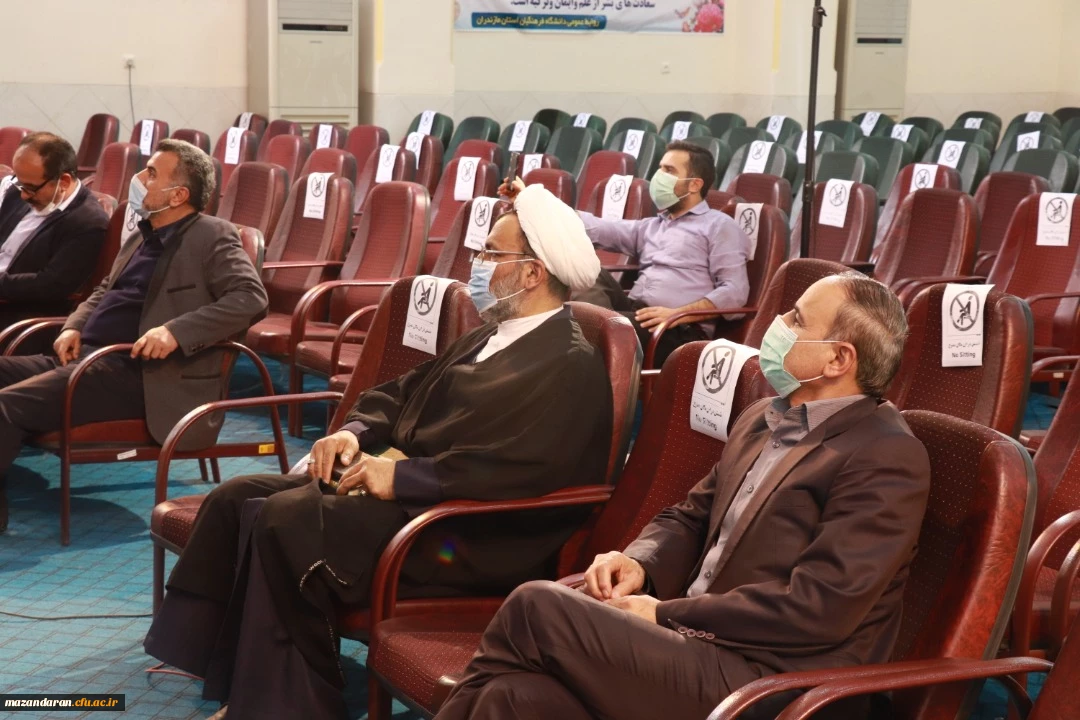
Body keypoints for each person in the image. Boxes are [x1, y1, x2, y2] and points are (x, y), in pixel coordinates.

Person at [144, 184, 615, 720]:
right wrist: (356, 432)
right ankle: (236, 676)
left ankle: (290, 704)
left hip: (468, 530)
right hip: (416, 498)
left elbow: (524, 468)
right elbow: (401, 391)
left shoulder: (569, 363)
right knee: (238, 495)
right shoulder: (491, 335)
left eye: (490, 253)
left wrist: (401, 479)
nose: (477, 265)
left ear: (532, 273)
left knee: (286, 519)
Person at [436, 272, 932, 720]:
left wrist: (661, 613)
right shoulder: (762, 418)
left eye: (797, 319)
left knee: (535, 606)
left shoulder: (885, 455)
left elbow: (816, 609)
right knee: (512, 698)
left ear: (838, 358)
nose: (777, 322)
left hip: (776, 683)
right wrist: (639, 563)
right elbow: (692, 516)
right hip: (698, 652)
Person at [0, 139, 268, 532]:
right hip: (89, 358)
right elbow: (103, 290)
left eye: (152, 173)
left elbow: (250, 298)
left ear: (178, 195)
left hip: (139, 374)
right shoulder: (142, 235)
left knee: (6, 406)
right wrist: (74, 324)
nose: (139, 178)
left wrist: (175, 331)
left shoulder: (212, 235)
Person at [503, 140, 752, 367]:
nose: (659, 177)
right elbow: (594, 227)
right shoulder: (652, 226)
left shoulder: (719, 226)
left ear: (695, 184)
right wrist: (530, 201)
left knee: (584, 329)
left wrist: (677, 313)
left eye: (669, 170)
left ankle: (583, 345)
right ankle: (587, 338)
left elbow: (735, 291)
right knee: (590, 272)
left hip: (677, 329)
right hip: (636, 314)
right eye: (660, 168)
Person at [0, 132, 108, 327]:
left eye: (31, 188)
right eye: (20, 183)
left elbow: (50, 285)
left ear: (63, 182)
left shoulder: (88, 222)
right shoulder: (19, 192)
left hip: (19, 315)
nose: (23, 195)